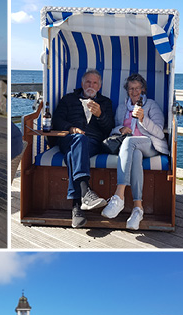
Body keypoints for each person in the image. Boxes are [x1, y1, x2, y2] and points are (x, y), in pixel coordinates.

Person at [101, 73, 170, 230]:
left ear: (143, 89)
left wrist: (142, 119)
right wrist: (120, 128)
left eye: (137, 88)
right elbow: (114, 128)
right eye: (131, 88)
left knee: (130, 141)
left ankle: (119, 195)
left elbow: (159, 133)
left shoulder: (151, 105)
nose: (134, 91)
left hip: (150, 145)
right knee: (135, 153)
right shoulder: (122, 107)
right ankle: (138, 208)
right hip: (131, 147)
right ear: (127, 90)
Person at [50, 69, 114, 227]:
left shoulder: (105, 103)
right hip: (68, 138)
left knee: (74, 154)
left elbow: (109, 128)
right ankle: (85, 192)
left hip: (92, 142)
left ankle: (76, 207)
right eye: (88, 82)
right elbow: (57, 120)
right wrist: (71, 128)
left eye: (94, 83)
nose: (91, 85)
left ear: (99, 86)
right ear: (82, 83)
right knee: (78, 140)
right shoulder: (69, 99)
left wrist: (100, 115)